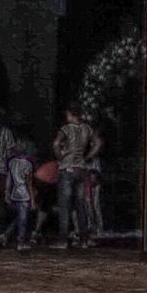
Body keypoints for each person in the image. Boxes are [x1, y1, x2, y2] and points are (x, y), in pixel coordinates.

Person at [53, 107, 102, 249]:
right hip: (81, 168)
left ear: (70, 115)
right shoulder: (87, 129)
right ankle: (84, 239)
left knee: (65, 206)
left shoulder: (66, 129)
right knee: (80, 205)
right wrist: (88, 156)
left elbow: (56, 144)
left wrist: (60, 156)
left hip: (67, 168)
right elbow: (98, 143)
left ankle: (63, 240)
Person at [1, 134, 39, 249]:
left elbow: (9, 179)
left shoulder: (12, 162)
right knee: (23, 218)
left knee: (20, 216)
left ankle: (6, 235)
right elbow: (29, 183)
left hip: (15, 192)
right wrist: (32, 200)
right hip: (24, 194)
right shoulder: (28, 164)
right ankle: (20, 242)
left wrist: (7, 192)